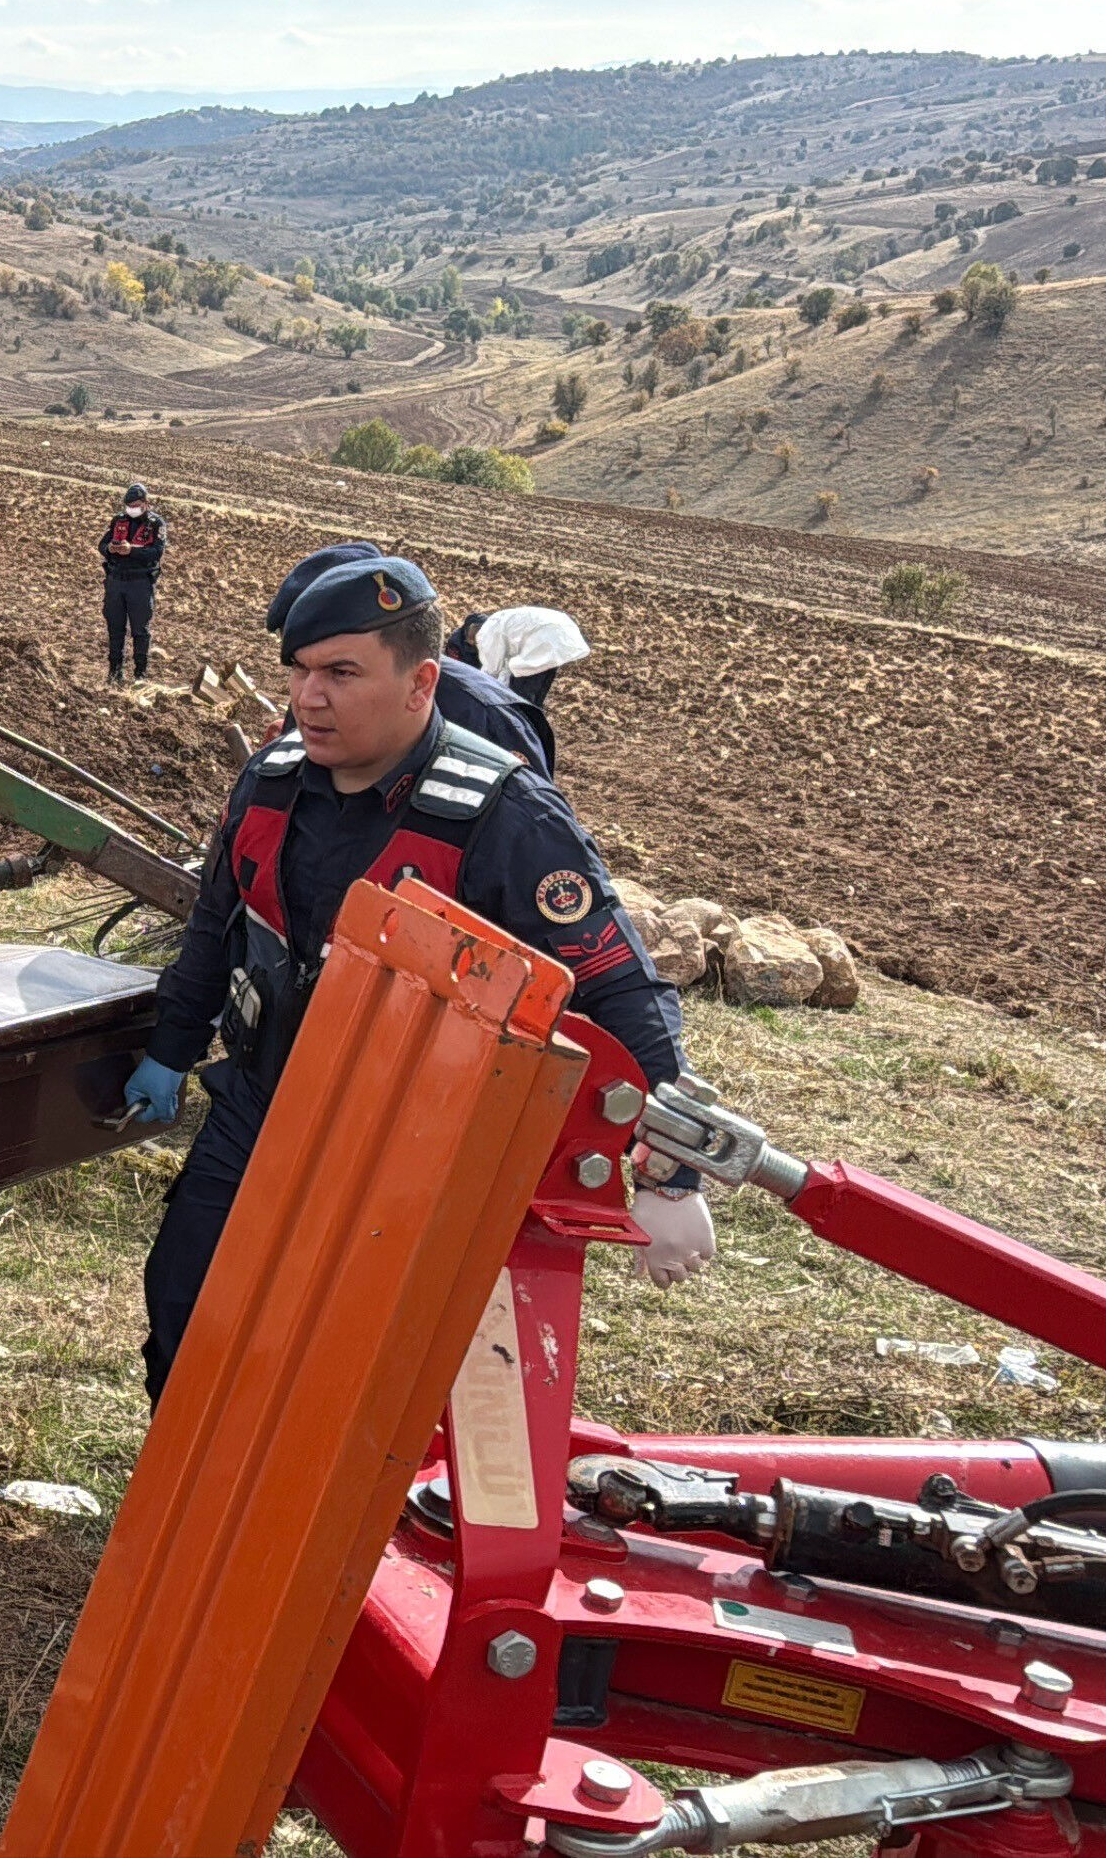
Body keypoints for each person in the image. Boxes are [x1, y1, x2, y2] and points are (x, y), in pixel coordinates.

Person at [122, 555, 710, 1400]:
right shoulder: (269, 785)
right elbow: (217, 930)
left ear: (420, 681)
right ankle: (182, 1508)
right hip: (262, 1103)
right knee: (186, 1305)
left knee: (346, 1362)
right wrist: (170, 1051)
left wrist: (670, 1169)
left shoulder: (503, 818)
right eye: (299, 671)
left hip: (408, 1140)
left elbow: (622, 993)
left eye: (340, 673)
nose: (308, 696)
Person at [266, 541, 552, 775]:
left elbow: (529, 823)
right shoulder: (312, 698)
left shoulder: (486, 717)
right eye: (300, 664)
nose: (309, 697)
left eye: (340, 670)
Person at [450, 606, 594, 774]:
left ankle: (522, 748)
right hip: (558, 635)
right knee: (531, 704)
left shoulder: (486, 633)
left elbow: (490, 672)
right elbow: (501, 672)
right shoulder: (497, 622)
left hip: (545, 640)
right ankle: (533, 743)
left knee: (522, 706)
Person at [99, 482, 168, 683]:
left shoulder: (156, 524)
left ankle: (140, 675)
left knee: (140, 630)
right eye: (129, 504)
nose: (132, 508)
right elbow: (102, 544)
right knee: (115, 627)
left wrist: (132, 551)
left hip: (140, 583)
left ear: (145, 504)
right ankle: (114, 673)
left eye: (136, 504)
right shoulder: (118, 520)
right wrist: (110, 549)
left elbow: (156, 552)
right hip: (116, 581)